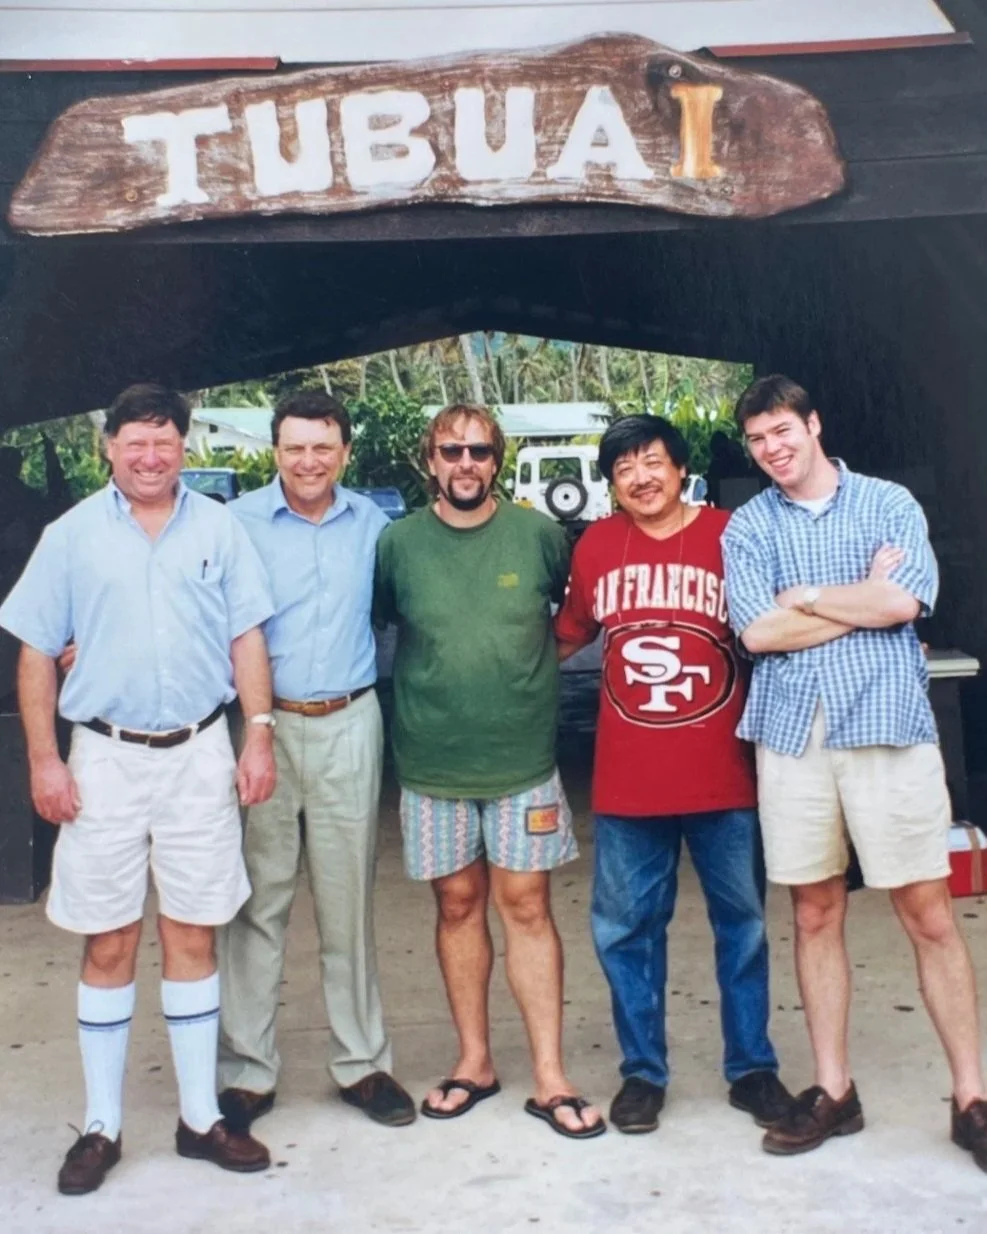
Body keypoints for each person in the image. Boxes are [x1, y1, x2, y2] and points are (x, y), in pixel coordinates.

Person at [0, 383, 278, 1195]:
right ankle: (102, 1125)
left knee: (194, 932)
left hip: (197, 752)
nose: (150, 456)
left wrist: (255, 736)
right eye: (135, 442)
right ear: (108, 448)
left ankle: (199, 1118)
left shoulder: (217, 529)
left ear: (184, 447)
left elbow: (246, 636)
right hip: (104, 760)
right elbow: (34, 655)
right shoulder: (70, 535)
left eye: (164, 441)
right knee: (109, 938)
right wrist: (45, 762)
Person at [722, 374, 987, 1167]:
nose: (772, 449)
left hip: (887, 733)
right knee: (812, 912)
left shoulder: (887, 502)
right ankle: (834, 1091)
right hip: (792, 739)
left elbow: (904, 605)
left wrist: (802, 596)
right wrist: (854, 595)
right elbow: (755, 633)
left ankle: (971, 1096)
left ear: (813, 424)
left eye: (782, 431)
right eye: (757, 439)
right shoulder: (746, 527)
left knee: (927, 911)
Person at [554, 415, 792, 1135]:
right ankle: (642, 1073)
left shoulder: (731, 533)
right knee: (626, 931)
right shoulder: (596, 545)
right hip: (629, 782)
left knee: (743, 928)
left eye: (652, 461)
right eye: (623, 468)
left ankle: (751, 1067)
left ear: (680, 467)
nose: (640, 477)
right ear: (611, 484)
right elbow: (564, 634)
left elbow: (779, 620)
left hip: (725, 775)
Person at [374, 403, 604, 1139]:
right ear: (428, 460)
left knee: (528, 907)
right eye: (450, 451)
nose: (464, 463)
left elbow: (579, 616)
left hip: (522, 759)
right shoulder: (397, 544)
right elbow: (378, 625)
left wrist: (535, 668)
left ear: (496, 460)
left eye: (478, 451)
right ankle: (473, 1062)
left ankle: (549, 1076)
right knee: (455, 905)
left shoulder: (539, 536)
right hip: (432, 759)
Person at [217, 390, 415, 1131]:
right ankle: (245, 1072)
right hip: (261, 728)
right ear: (274, 450)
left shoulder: (372, 524)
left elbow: (404, 609)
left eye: (322, 447)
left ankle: (362, 1064)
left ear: (344, 452)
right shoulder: (233, 525)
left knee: (347, 900)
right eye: (295, 447)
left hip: (348, 721)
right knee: (255, 902)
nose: (308, 461)